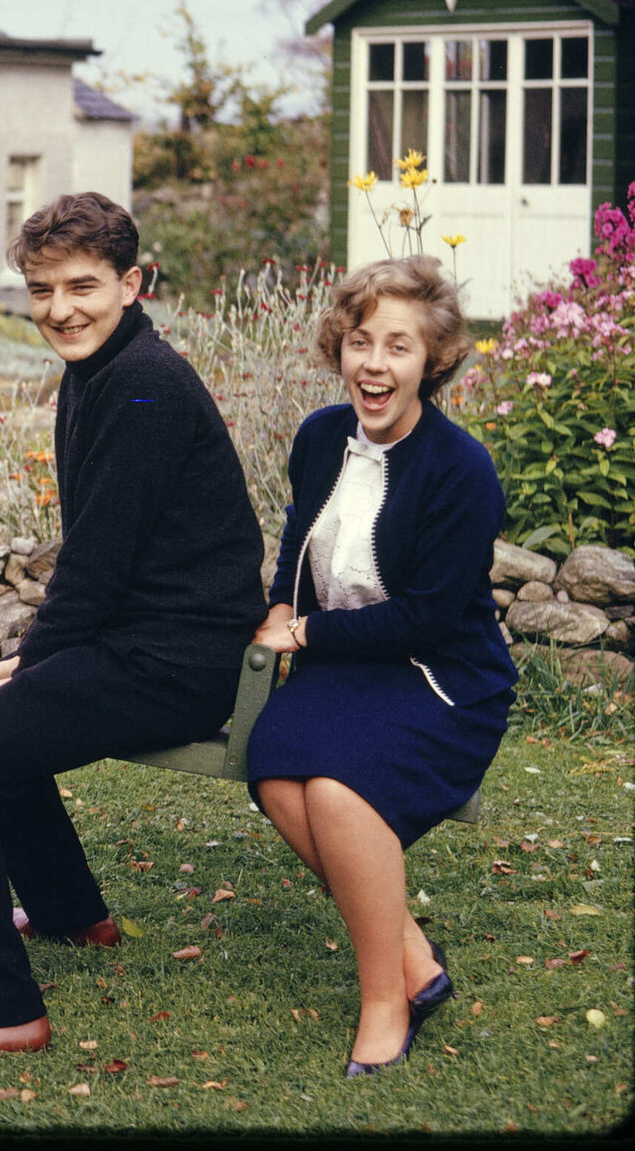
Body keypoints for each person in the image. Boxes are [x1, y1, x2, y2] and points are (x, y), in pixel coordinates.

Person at [0, 193, 266, 1072]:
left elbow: (94, 568)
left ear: (133, 284)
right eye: (42, 289)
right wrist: (37, 664)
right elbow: (100, 561)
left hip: (179, 662)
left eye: (83, 286)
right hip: (146, 643)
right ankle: (69, 913)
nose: (61, 308)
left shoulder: (143, 387)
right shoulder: (100, 372)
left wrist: (34, 665)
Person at [245, 255, 517, 1077]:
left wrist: (310, 638)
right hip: (344, 665)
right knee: (273, 768)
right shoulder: (320, 437)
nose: (374, 363)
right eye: (361, 341)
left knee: (333, 787)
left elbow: (431, 616)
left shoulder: (461, 469)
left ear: (431, 360)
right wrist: (281, 606)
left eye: (398, 346)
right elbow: (299, 540)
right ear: (340, 349)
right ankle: (410, 951)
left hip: (441, 677)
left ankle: (385, 1001)